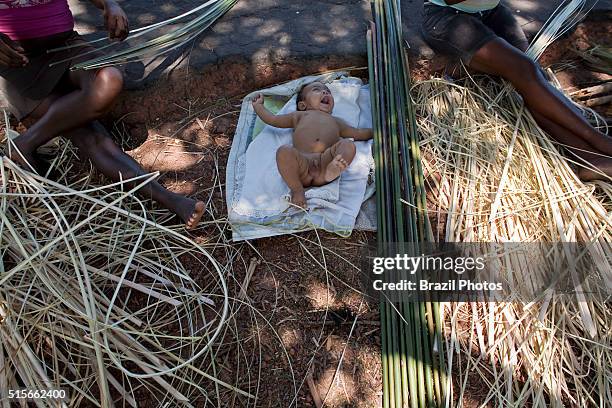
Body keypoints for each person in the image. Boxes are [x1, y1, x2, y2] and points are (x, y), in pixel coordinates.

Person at [0, 0, 205, 229]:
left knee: (109, 79)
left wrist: (109, 5)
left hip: (67, 47)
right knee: (93, 139)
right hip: (19, 65)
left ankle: (25, 143)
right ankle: (171, 200)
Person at [421, 0, 612, 180]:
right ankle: (600, 141)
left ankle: (589, 158)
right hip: (448, 18)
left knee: (535, 80)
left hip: (490, 12)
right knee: (524, 69)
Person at [252, 81, 373, 208]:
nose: (325, 92)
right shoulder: (299, 116)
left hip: (325, 162)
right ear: (303, 105)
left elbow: (358, 133)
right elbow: (273, 120)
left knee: (348, 144)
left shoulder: (336, 122)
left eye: (327, 91)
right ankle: (297, 189)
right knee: (284, 151)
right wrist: (258, 107)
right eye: (317, 90)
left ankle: (331, 172)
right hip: (303, 164)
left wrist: (379, 131)